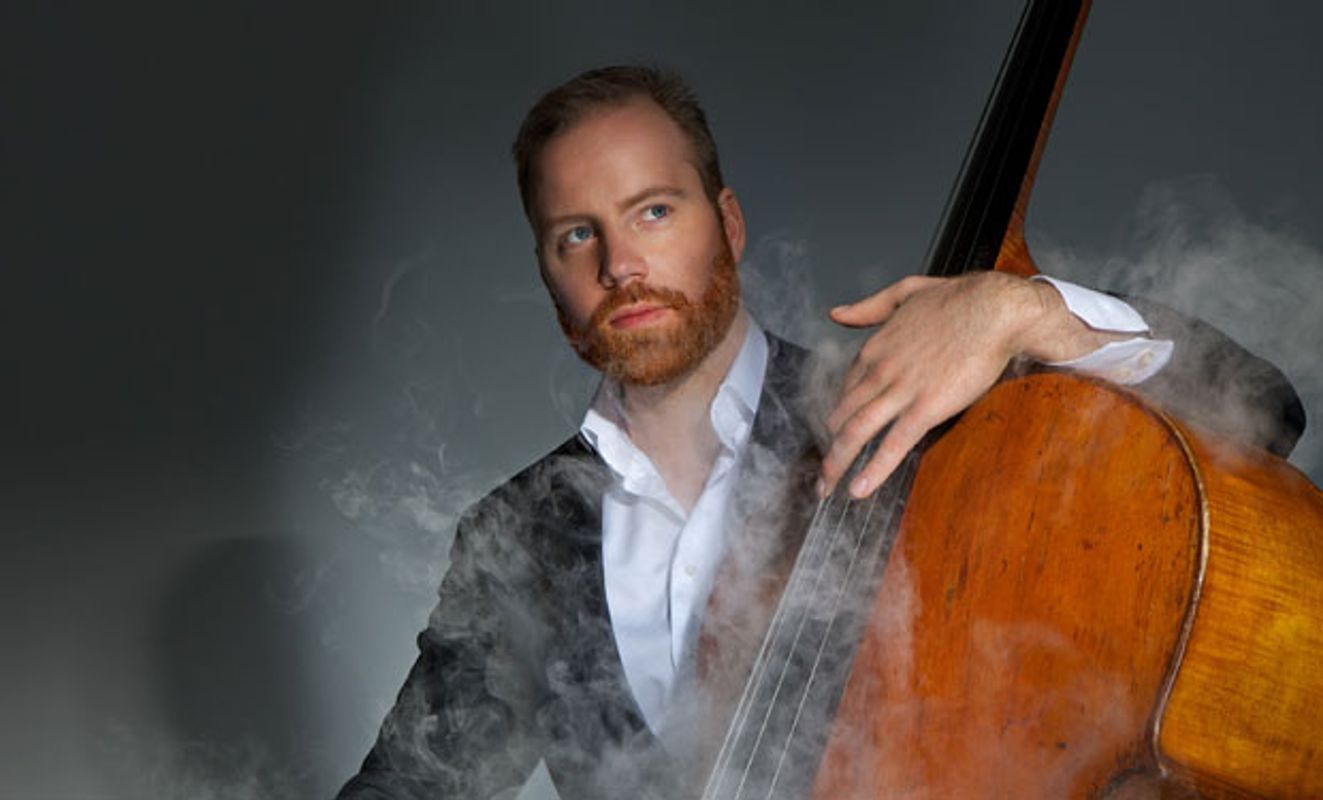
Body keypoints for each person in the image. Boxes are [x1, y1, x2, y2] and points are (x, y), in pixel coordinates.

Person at [336, 65, 1303, 799]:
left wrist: (1026, 313)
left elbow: (1261, 410)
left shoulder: (926, 406)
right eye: (576, 235)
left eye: (653, 211)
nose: (620, 264)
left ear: (727, 224)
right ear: (550, 276)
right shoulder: (517, 536)